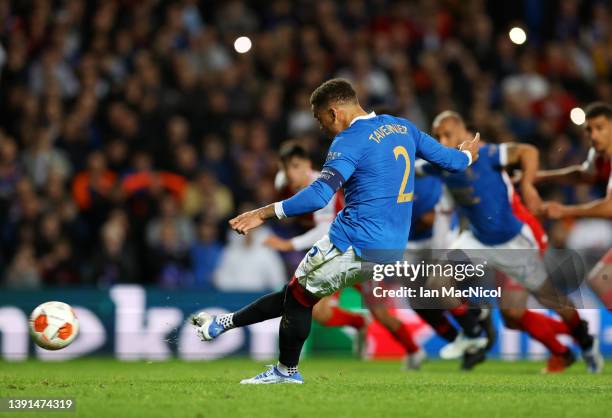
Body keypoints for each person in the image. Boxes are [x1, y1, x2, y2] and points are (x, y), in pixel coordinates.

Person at [192, 78, 478, 384]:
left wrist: (263, 213)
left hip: (352, 242)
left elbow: (318, 196)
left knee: (299, 298)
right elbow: (453, 161)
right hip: (389, 249)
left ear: (333, 112)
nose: (320, 127)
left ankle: (285, 371)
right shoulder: (401, 126)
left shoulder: (348, 141)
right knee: (298, 294)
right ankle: (224, 324)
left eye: (318, 119)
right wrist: (467, 155)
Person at [421, 110, 603, 373]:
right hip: (476, 239)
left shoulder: (488, 154)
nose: (442, 140)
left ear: (465, 135)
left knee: (525, 309)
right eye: (437, 136)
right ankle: (474, 328)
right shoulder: (443, 164)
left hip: (514, 240)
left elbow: (527, 152)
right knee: (437, 282)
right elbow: (416, 168)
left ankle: (583, 340)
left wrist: (528, 185)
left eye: (447, 134)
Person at [265, 141, 425, 369]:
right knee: (319, 311)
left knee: (380, 314)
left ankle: (413, 351)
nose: (291, 173)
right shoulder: (284, 184)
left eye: (296, 166)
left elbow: (325, 227)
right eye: (286, 168)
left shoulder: (323, 186)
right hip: (336, 252)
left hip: (358, 249)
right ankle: (359, 322)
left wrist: (289, 244)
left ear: (308, 165)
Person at [539, 102, 612, 312]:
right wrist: (540, 176)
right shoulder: (599, 154)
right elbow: (582, 175)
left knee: (601, 278)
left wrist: (565, 211)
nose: (594, 136)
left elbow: (609, 208)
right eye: (589, 130)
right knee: (600, 279)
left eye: (600, 128)